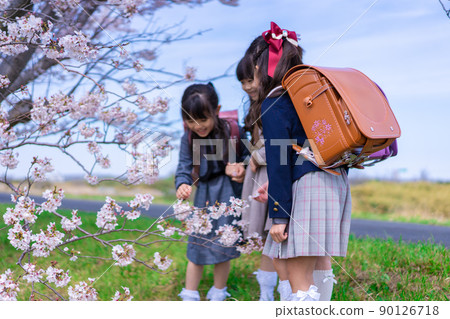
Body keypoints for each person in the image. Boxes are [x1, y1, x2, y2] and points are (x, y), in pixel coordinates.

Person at [250, 22, 351, 301]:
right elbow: (304, 149)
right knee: (319, 263)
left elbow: (280, 159)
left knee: (300, 281)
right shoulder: (310, 97)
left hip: (308, 190)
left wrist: (278, 215)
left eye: (254, 67)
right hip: (335, 182)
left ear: (262, 66)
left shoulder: (275, 102)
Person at [175, 83, 248, 301]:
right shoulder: (188, 138)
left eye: (203, 119)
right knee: (197, 243)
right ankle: (190, 293)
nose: (198, 126)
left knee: (224, 243)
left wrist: (240, 167)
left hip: (228, 194)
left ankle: (218, 291)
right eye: (190, 121)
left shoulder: (233, 131)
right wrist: (182, 183)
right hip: (204, 195)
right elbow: (184, 166)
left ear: (216, 111)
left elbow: (249, 156)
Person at [236, 55, 291, 301]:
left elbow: (281, 142)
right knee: (267, 239)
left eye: (251, 79)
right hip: (259, 176)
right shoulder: (256, 107)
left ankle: (287, 292)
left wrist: (258, 156)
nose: (247, 86)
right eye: (242, 81)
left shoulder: (275, 102)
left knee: (275, 234)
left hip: (273, 173)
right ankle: (265, 294)